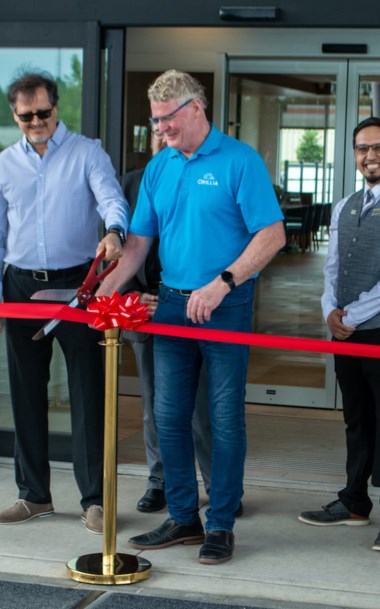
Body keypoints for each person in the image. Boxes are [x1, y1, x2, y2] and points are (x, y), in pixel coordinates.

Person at [99, 69, 285, 564]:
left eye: (167, 119)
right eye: (155, 120)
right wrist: (103, 293)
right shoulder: (160, 168)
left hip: (226, 303)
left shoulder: (240, 161)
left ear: (195, 109)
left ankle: (221, 524)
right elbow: (138, 247)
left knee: (223, 420)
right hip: (173, 304)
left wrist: (223, 283)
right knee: (168, 416)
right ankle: (183, 517)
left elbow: (272, 236)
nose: (160, 129)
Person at [0, 73, 128, 534]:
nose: (36, 122)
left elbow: (112, 199)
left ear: (56, 108)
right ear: (15, 115)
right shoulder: (4, 164)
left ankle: (96, 500)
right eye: (26, 117)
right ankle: (33, 495)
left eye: (44, 113)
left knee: (88, 391)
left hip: (77, 285)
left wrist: (114, 231)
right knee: (25, 392)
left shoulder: (87, 153)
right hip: (21, 285)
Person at [299, 117, 380, 553]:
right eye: (361, 148)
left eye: (378, 147)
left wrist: (349, 314)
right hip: (347, 330)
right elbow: (332, 267)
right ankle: (354, 500)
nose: (369, 156)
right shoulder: (346, 205)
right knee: (357, 420)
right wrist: (328, 311)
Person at [120, 128, 215, 514]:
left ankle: (217, 483)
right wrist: (129, 295)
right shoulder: (127, 185)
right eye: (157, 128)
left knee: (201, 406)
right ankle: (160, 481)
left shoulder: (208, 176)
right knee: (155, 406)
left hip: (197, 308)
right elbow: (117, 250)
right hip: (145, 309)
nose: (164, 135)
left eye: (171, 126)